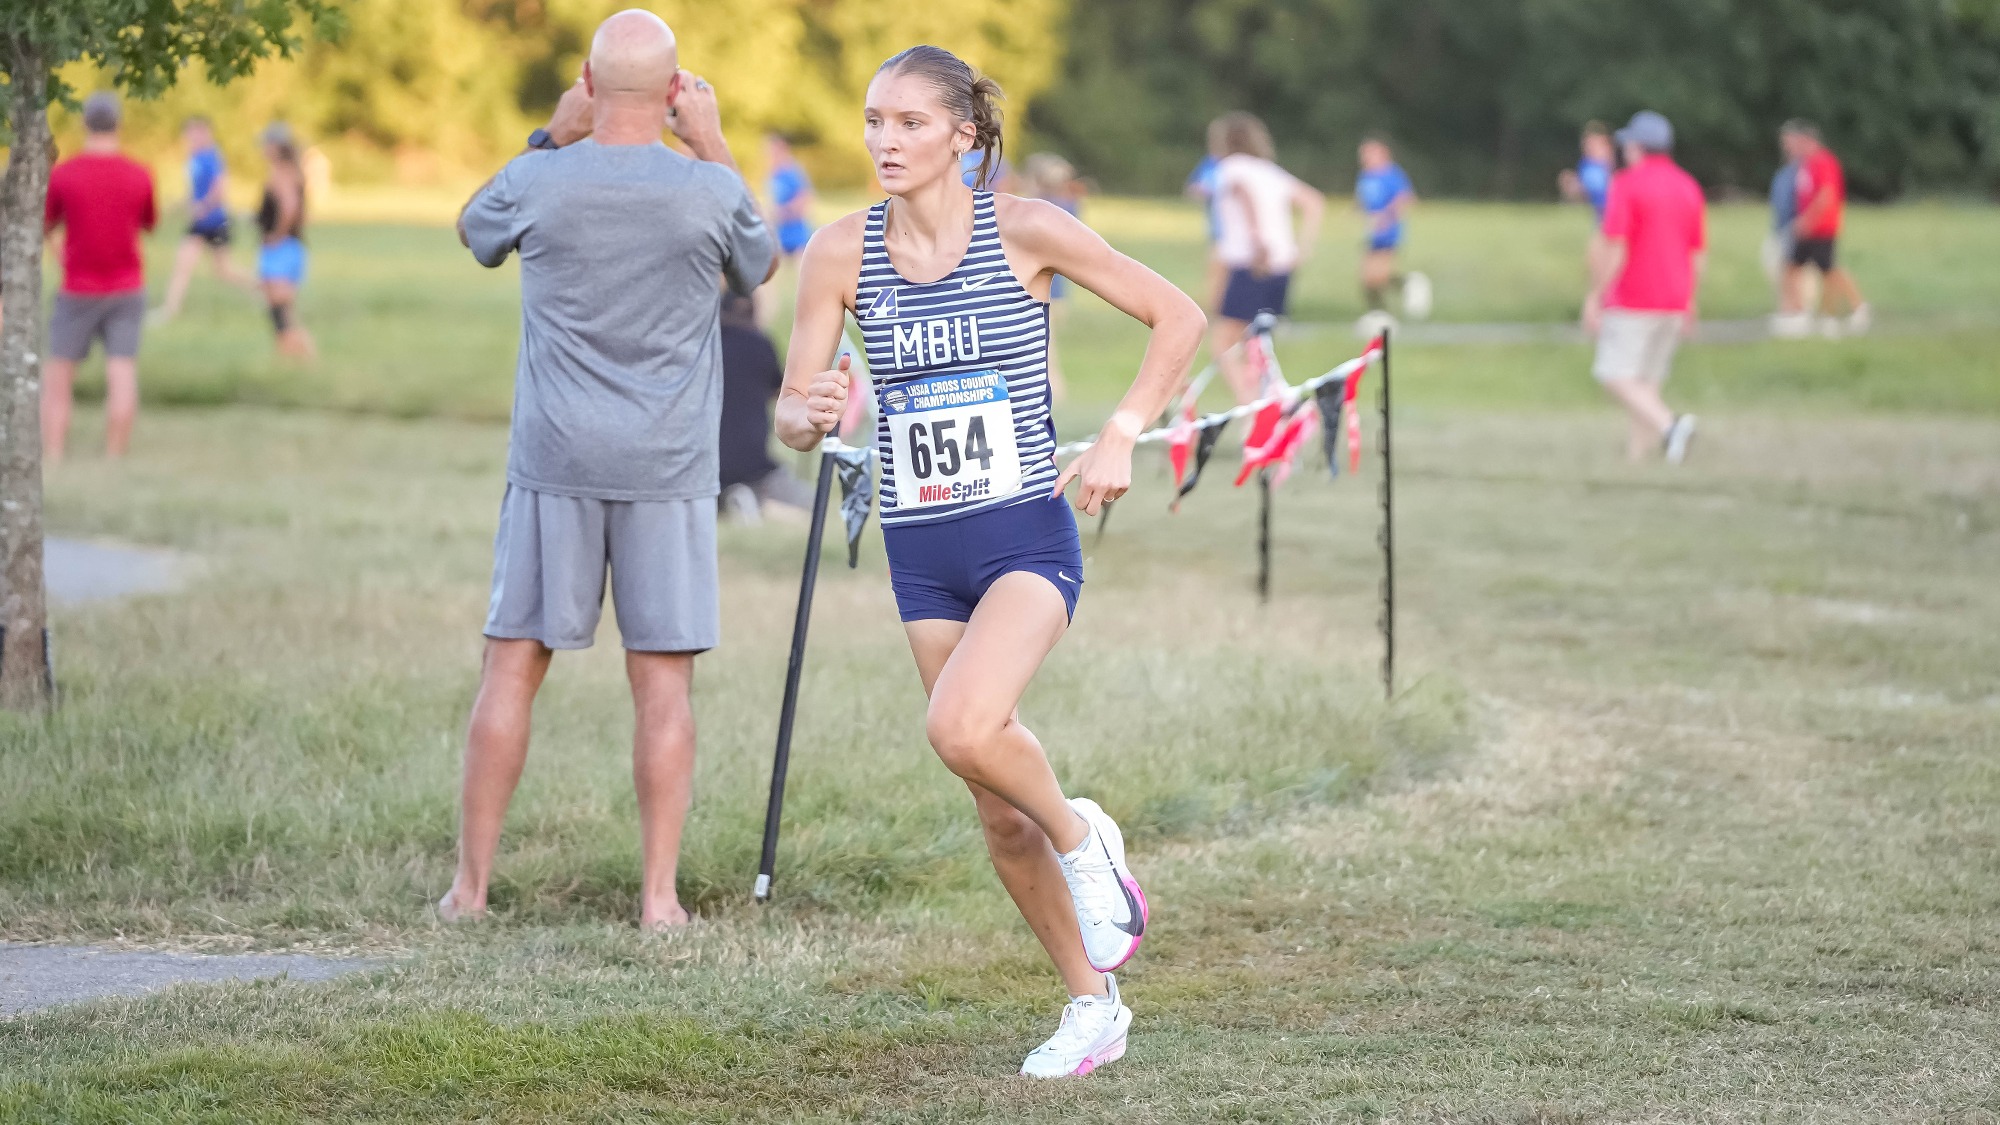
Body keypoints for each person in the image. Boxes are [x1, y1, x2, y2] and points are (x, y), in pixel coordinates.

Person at [777, 44, 1204, 1077]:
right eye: (873, 120)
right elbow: (792, 413)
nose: (884, 140)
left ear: (961, 134)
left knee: (961, 726)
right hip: (919, 552)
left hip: (1020, 532)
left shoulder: (1023, 229)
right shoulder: (837, 254)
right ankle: (1090, 1004)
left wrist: (1120, 431)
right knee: (989, 805)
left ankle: (1083, 834)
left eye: (909, 123)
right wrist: (807, 411)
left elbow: (1176, 316)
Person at [441, 10, 775, 931]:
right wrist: (711, 143)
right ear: (674, 93)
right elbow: (759, 263)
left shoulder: (538, 177)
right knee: (662, 682)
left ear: (588, 81)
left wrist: (552, 133)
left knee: (511, 665)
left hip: (553, 459)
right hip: (667, 467)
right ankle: (658, 899)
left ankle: (469, 892)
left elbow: (473, 230)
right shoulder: (706, 189)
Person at [42, 92, 156, 465]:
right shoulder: (139, 174)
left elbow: (45, 225)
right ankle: (114, 455)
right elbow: (147, 224)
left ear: (84, 122)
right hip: (127, 285)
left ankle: (55, 453)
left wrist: (62, 255)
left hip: (77, 287)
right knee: (121, 372)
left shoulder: (64, 174)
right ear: (118, 124)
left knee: (59, 376)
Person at [1583, 111, 1703, 464]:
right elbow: (1697, 250)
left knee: (1613, 374)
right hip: (1675, 297)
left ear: (1637, 147)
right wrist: (1691, 297)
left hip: (1634, 296)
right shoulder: (1687, 186)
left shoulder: (1626, 184)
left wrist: (1597, 294)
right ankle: (1639, 454)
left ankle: (1670, 427)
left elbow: (1616, 245)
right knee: (1646, 381)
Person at [1206, 112, 1323, 403]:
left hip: (1252, 263)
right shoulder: (1269, 171)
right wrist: (1302, 247)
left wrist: (1258, 239)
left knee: (1223, 342)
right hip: (1280, 266)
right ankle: (1271, 406)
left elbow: (1242, 193)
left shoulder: (1231, 168)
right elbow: (1313, 202)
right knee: (1256, 345)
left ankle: (1255, 406)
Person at [717, 293, 814, 522]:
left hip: (708, 465)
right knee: (808, 501)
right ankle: (755, 501)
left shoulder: (706, 346)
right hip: (756, 464)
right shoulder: (760, 344)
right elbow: (780, 393)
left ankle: (734, 500)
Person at [1775, 120, 1869, 338]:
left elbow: (1826, 196)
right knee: (1791, 268)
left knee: (1829, 271)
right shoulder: (1806, 164)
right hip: (1808, 229)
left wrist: (1807, 221)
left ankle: (1851, 308)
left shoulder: (1824, 162)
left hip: (1821, 228)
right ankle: (1798, 314)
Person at [153, 116, 252, 321]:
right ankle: (170, 310)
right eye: (188, 133)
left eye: (194, 133)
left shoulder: (211, 156)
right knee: (184, 264)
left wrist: (203, 207)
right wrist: (180, 204)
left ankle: (267, 288)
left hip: (215, 221)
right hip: (199, 224)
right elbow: (196, 191)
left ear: (205, 133)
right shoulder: (194, 158)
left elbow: (220, 187)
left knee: (225, 271)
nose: (190, 137)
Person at [1023, 152, 1083, 399]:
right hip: (1059, 290)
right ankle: (1055, 388)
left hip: (1041, 288)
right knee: (1048, 344)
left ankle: (1053, 390)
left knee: (1046, 347)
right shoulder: (1070, 206)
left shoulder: (1034, 209)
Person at [1355, 135, 1429, 325]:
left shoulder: (1392, 175)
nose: (1364, 158)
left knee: (1377, 277)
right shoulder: (1365, 176)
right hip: (1371, 233)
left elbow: (1406, 198)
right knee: (1367, 281)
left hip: (1389, 233)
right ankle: (1381, 314)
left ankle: (1406, 287)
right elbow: (1365, 202)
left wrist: (1387, 217)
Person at [256, 123, 314, 359]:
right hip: (293, 247)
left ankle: (307, 358)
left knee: (281, 314)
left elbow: (289, 207)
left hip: (280, 250)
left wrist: (276, 235)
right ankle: (287, 361)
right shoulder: (295, 171)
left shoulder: (281, 173)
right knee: (282, 313)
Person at [1184, 144, 1226, 313]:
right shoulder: (1210, 163)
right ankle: (1216, 309)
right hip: (1218, 229)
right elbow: (1193, 188)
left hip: (1238, 231)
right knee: (1216, 270)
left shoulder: (1238, 165)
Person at [1763, 144, 1802, 317]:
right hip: (1782, 229)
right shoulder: (1783, 176)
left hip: (1796, 228)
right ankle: (1787, 308)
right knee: (1779, 270)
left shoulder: (1801, 176)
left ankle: (1795, 309)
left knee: (1791, 271)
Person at [1558, 121, 1615, 223]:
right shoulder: (1585, 164)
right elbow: (1586, 186)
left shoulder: (1609, 161)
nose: (1588, 147)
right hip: (1598, 204)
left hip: (1611, 203)